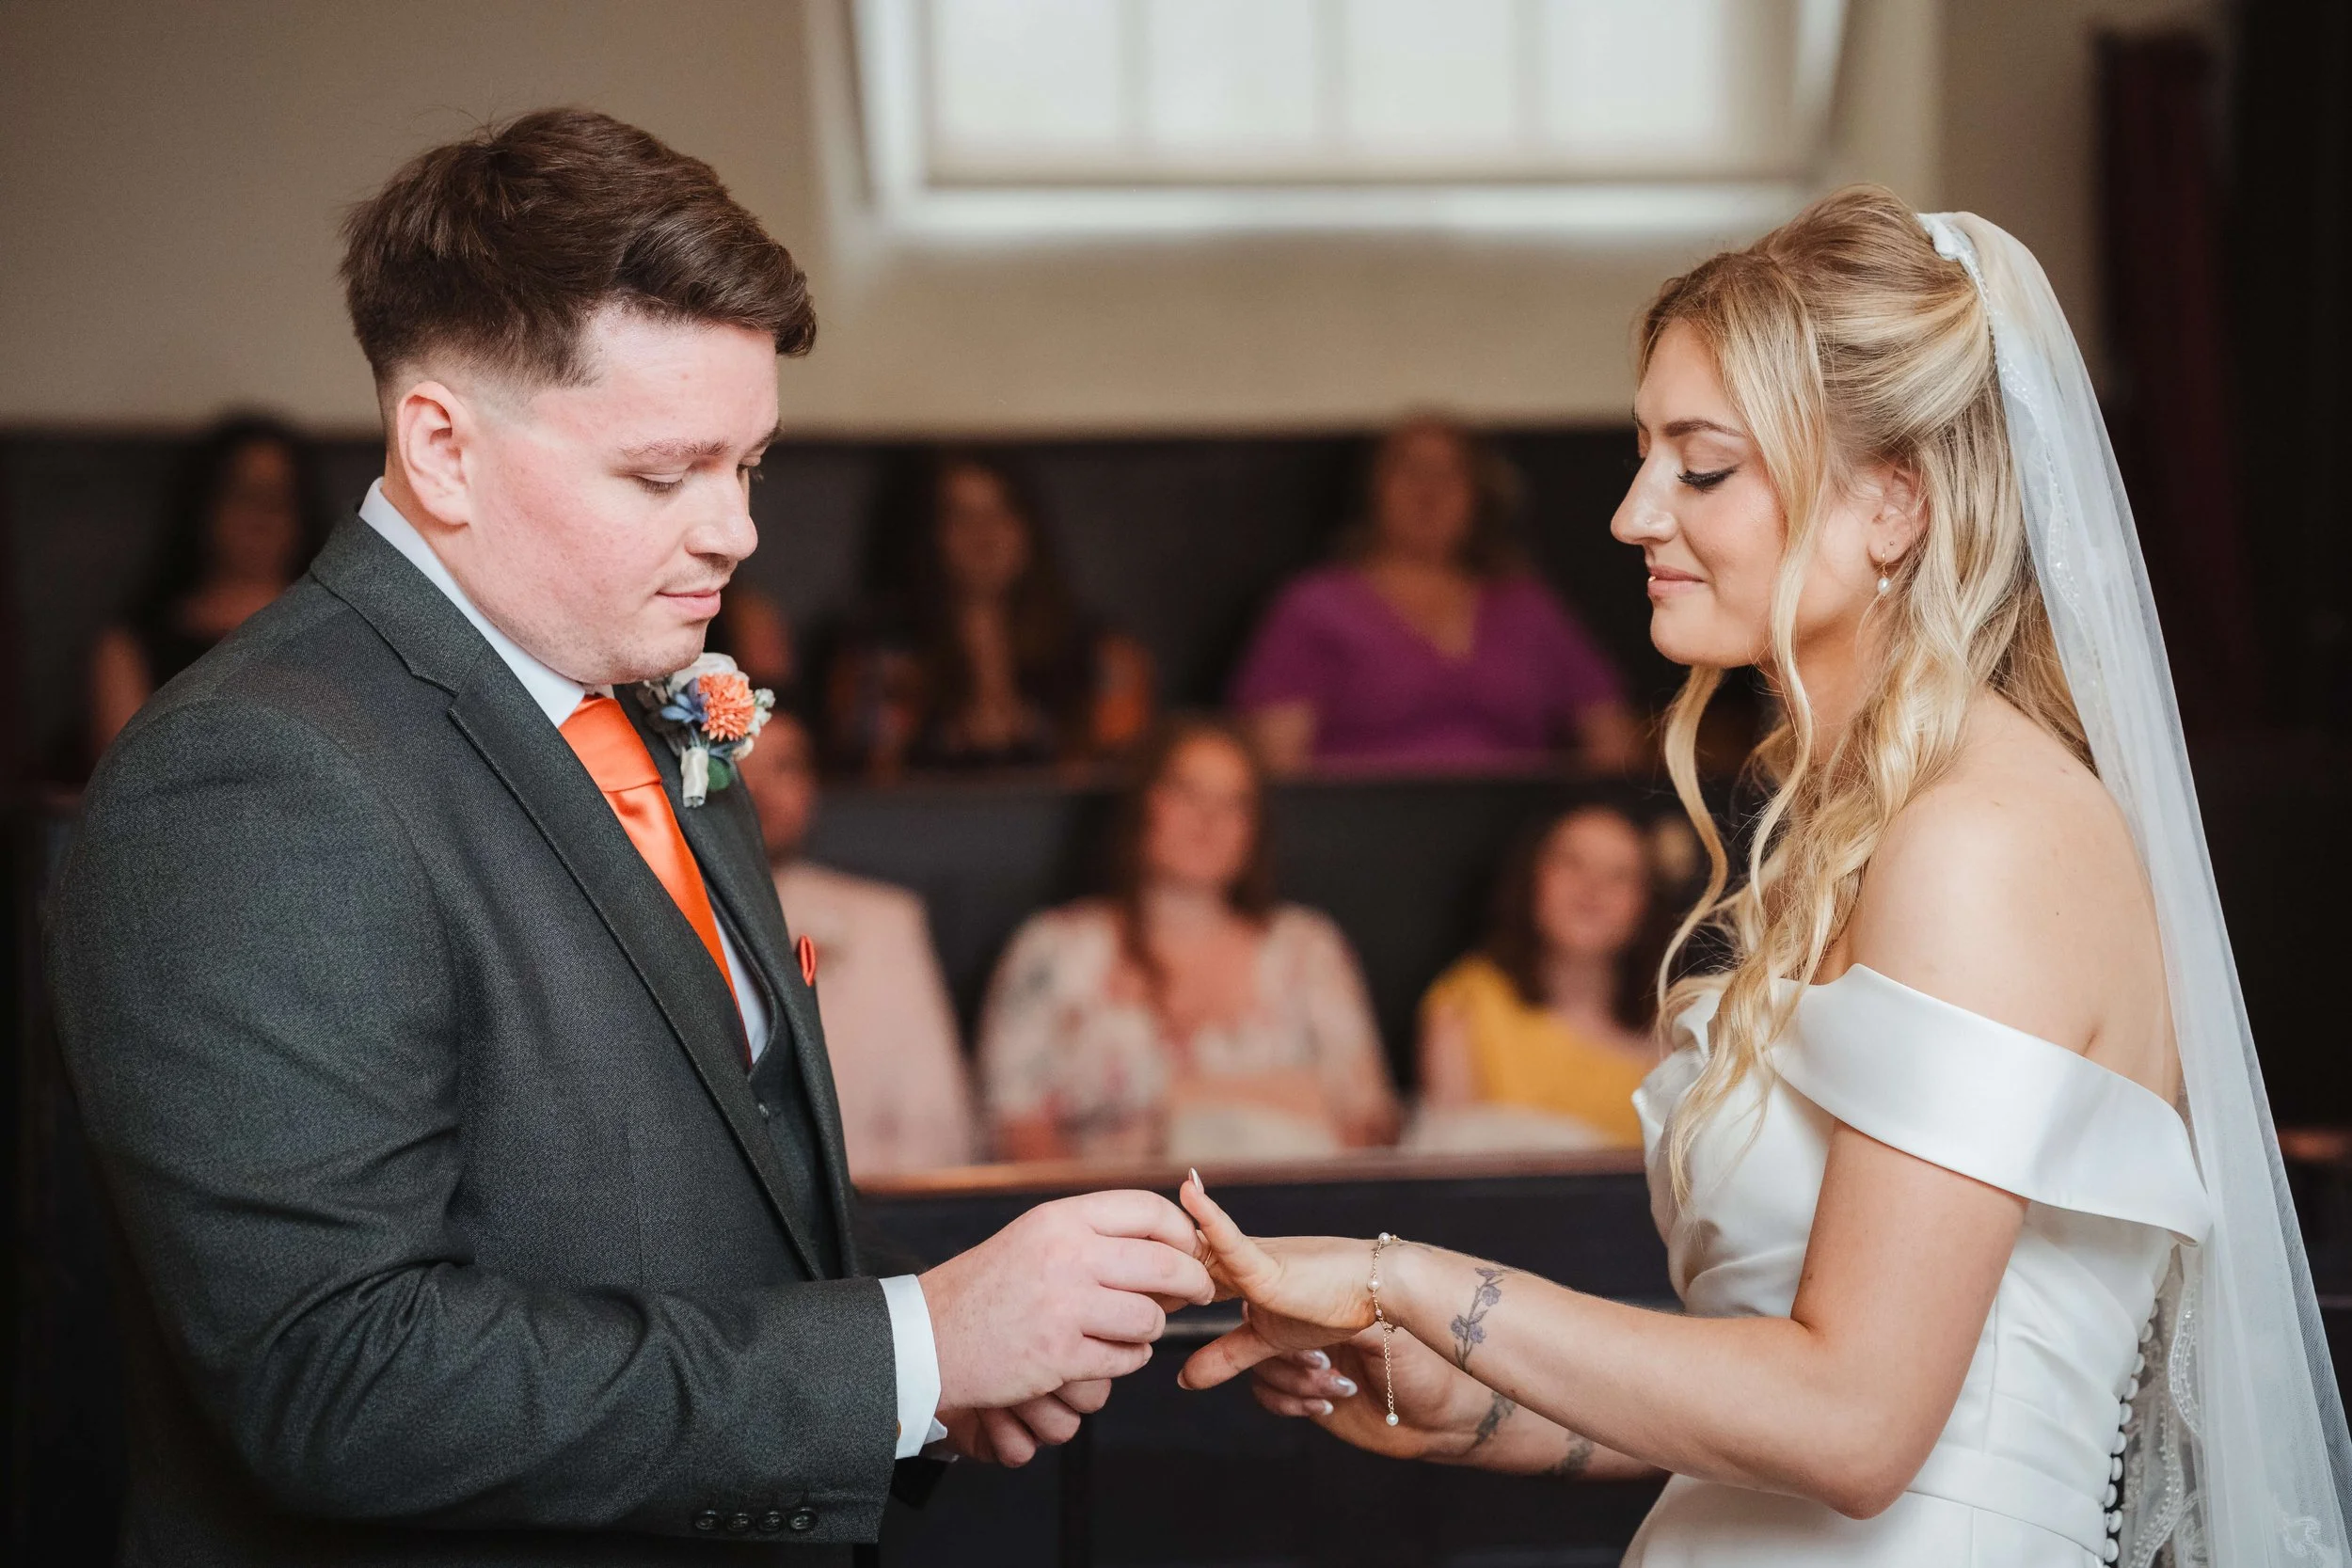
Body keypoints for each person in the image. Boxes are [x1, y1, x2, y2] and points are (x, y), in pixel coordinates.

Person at [49, 110, 1213, 1568]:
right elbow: (336, 1374)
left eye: (752, 468)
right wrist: (907, 1349)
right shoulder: (257, 775)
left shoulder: (648, 698)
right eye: (665, 475)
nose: (732, 532)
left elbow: (696, 1195)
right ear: (441, 448)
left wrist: (911, 1394)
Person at [1175, 187, 2352, 1565]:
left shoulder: (1989, 837)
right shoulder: (1879, 821)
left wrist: (1407, 1277)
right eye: (1642, 457)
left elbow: (1858, 1424)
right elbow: (1774, 1391)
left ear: (1890, 503)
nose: (1630, 514)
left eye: (1702, 466)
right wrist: (1477, 1401)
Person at [977, 717, 1398, 1164]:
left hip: (1289, 1224)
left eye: (1234, 804)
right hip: (1108, 1221)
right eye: (1187, 793)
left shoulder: (1307, 948)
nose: (1209, 820)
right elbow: (1016, 1128)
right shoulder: (1053, 949)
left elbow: (1368, 1126)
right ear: (1144, 804)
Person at [1232, 415, 1639, 776]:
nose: (1429, 491)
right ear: (1372, 488)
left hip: (1516, 836)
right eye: (1410, 470)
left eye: (1450, 473)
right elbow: (1278, 768)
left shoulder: (1527, 607)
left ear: (1478, 495)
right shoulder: (1313, 608)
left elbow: (1611, 736)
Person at [737, 701, 977, 1180]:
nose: (759, 790)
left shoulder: (886, 921)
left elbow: (940, 1126)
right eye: (737, 762)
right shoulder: (657, 917)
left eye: (784, 767)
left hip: (874, 1213)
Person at [825, 449, 1152, 778]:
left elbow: (1121, 775)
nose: (985, 535)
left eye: (1001, 512)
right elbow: (872, 782)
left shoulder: (1100, 651)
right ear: (932, 534)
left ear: (1029, 527)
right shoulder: (884, 653)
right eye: (960, 516)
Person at [1412, 802, 1662, 1150]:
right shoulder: (1464, 1003)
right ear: (1533, 877)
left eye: (1619, 875)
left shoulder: (1678, 1023)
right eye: (1572, 863)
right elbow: (1453, 1174)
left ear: (1646, 904)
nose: (1593, 888)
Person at [87, 414, 332, 756]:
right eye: (243, 494)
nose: (261, 517)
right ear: (203, 505)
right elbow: (128, 783)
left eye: (279, 498)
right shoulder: (132, 647)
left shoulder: (341, 632)